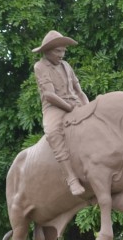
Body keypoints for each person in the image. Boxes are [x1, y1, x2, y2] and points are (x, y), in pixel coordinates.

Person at [32, 30, 90, 196]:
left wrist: (87, 106)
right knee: (52, 132)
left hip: (75, 103)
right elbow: (49, 95)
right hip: (55, 108)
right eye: (58, 51)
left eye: (64, 51)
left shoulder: (66, 66)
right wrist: (70, 108)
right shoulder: (40, 66)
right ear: (47, 51)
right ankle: (71, 178)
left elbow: (79, 90)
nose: (62, 55)